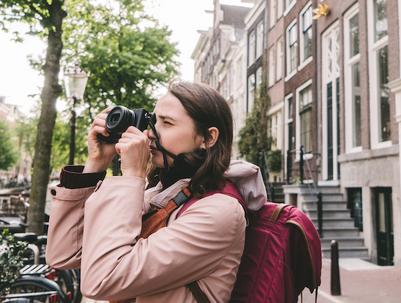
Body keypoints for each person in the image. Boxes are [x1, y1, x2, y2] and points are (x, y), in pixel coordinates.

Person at [46, 80, 267, 302]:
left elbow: (102, 280)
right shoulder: (160, 194)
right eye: (153, 121)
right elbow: (64, 255)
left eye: (167, 123)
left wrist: (132, 175)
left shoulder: (219, 211)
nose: (150, 133)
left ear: (208, 138)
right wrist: (96, 163)